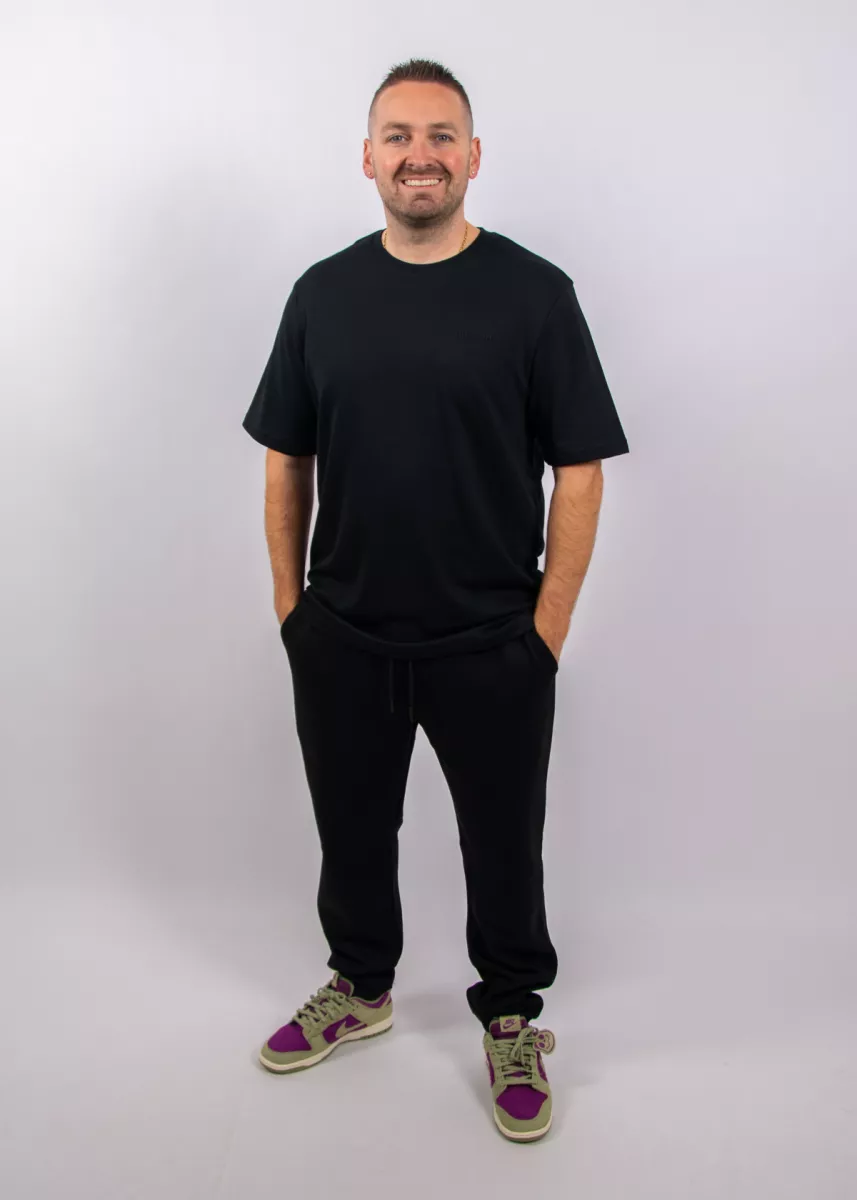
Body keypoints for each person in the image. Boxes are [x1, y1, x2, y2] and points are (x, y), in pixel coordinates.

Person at [241, 57, 629, 1143]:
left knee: (503, 844)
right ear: (367, 158)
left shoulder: (534, 295)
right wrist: (291, 611)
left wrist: (544, 634)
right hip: (343, 634)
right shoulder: (321, 295)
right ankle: (360, 985)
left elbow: (580, 468)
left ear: (473, 156)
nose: (421, 155)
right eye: (400, 136)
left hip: (492, 641)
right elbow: (285, 458)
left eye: (441, 135)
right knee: (350, 833)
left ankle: (510, 1015)